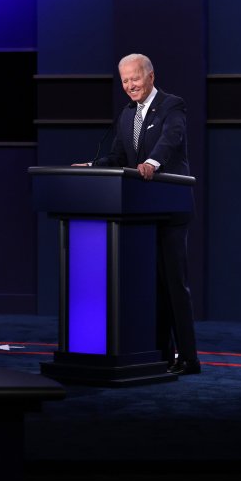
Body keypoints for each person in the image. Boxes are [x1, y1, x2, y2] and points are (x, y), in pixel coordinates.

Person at [77, 53, 199, 375]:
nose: (130, 85)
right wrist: (92, 166)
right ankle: (161, 354)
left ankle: (189, 358)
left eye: (135, 78)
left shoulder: (173, 105)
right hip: (141, 212)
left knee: (175, 286)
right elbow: (118, 155)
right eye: (125, 80)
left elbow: (171, 140)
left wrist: (152, 164)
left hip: (170, 209)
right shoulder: (126, 114)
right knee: (153, 287)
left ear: (150, 76)